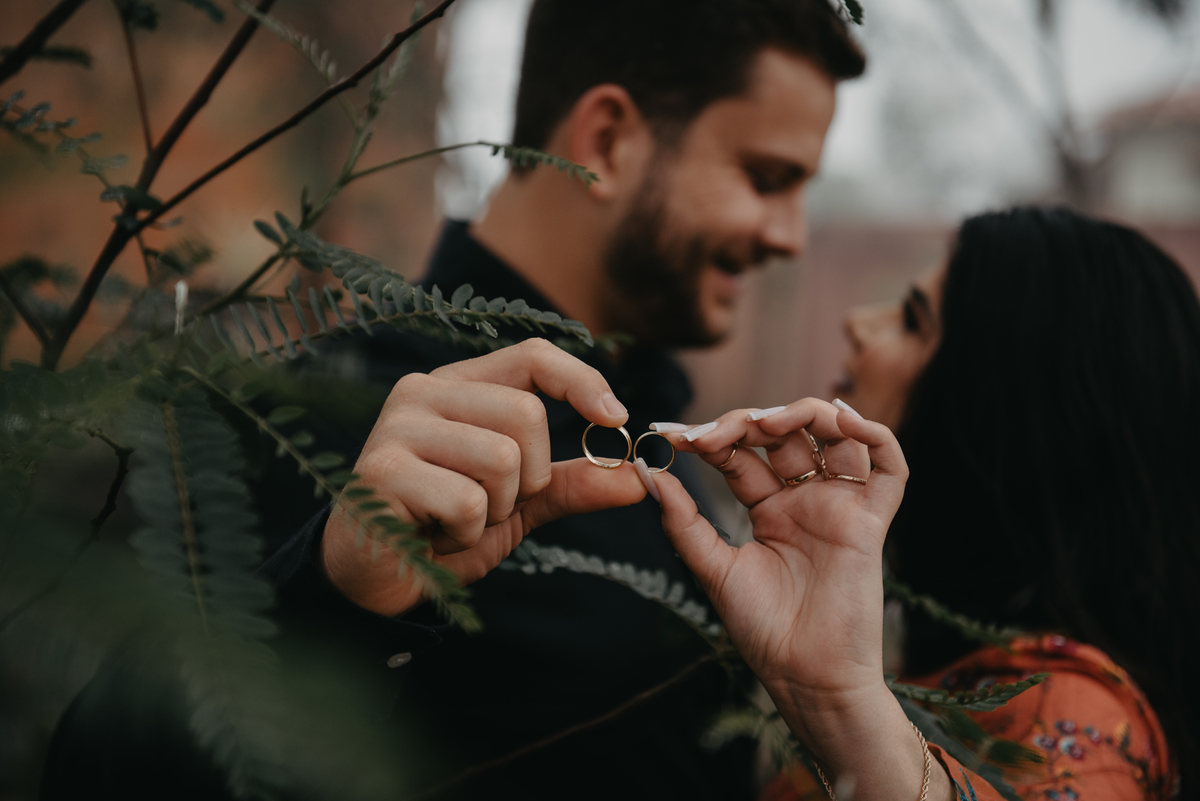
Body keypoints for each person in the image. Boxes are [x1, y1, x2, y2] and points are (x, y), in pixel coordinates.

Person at [42, 1, 866, 799]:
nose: (789, 234)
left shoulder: (663, 435)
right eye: (766, 178)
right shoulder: (326, 416)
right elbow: (95, 766)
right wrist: (337, 592)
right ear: (607, 140)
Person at [666, 207, 1198, 799]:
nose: (857, 322)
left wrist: (839, 700)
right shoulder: (957, 669)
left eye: (913, 321)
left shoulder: (1073, 716)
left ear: (1003, 408)